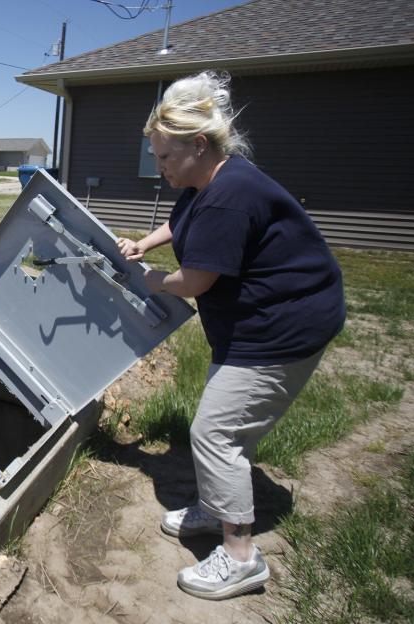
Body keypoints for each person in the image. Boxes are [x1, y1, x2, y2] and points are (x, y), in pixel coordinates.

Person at [117, 71, 345, 600]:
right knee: (219, 424)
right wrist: (145, 245)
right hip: (258, 320)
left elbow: (194, 282)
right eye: (155, 156)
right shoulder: (212, 179)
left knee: (215, 433)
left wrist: (150, 279)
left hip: (283, 326)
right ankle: (219, 504)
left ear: (199, 144)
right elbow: (181, 222)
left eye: (166, 158)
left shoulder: (229, 196)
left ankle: (242, 558)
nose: (160, 168)